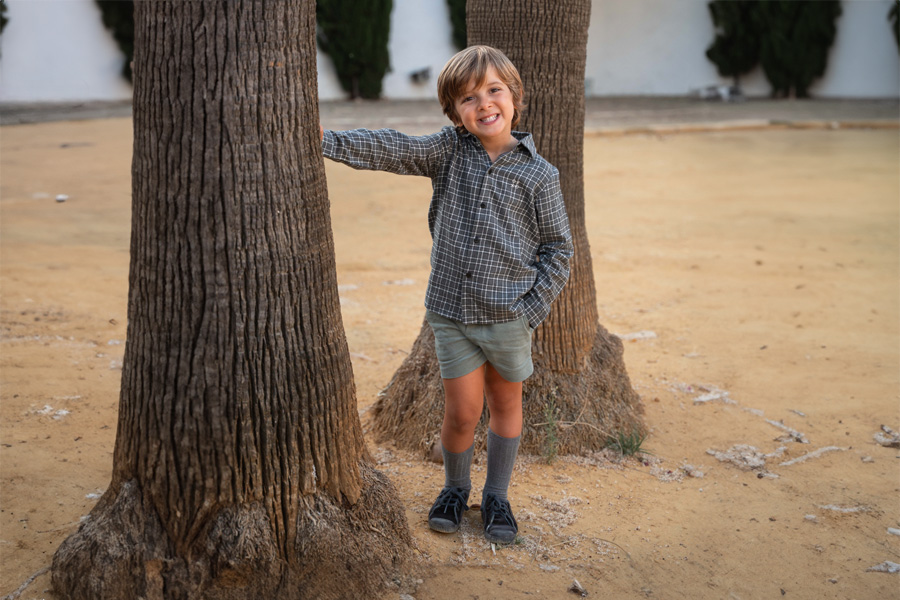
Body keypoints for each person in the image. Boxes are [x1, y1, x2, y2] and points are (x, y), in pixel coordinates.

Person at [320, 45, 572, 544]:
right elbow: (395, 148)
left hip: (509, 316)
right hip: (452, 313)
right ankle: (455, 488)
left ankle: (496, 496)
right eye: (468, 98)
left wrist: (529, 311)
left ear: (514, 96)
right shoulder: (448, 151)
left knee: (506, 407)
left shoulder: (539, 175)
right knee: (460, 413)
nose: (483, 104)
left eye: (493, 90)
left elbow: (558, 249)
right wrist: (328, 141)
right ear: (454, 112)